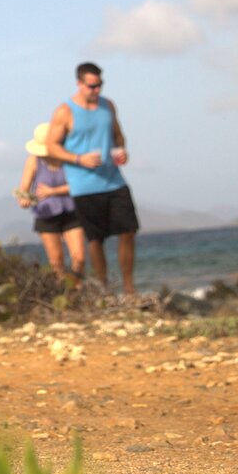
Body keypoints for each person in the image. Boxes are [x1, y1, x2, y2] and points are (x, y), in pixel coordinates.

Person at [46, 61, 138, 298]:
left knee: (128, 230)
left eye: (100, 85)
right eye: (92, 86)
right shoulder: (64, 111)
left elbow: (118, 135)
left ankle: (129, 288)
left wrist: (121, 150)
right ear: (79, 83)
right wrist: (78, 159)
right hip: (84, 186)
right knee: (95, 239)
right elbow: (51, 147)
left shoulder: (108, 106)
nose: (97, 90)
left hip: (114, 180)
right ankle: (104, 288)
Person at [16, 122, 86, 282]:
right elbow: (23, 190)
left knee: (79, 257)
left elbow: (80, 184)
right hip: (46, 214)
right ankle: (65, 292)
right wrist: (24, 199)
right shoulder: (34, 161)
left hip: (72, 211)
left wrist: (52, 191)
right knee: (56, 262)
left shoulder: (69, 157)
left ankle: (77, 286)